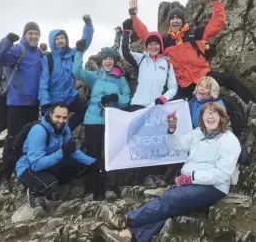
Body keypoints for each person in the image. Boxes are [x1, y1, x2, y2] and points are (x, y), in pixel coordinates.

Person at [100, 102, 241, 242]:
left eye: (214, 113)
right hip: (192, 182)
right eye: (207, 113)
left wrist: (191, 178)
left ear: (221, 117)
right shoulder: (198, 133)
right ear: (202, 117)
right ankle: (133, 236)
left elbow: (222, 174)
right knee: (171, 207)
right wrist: (171, 130)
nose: (210, 116)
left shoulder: (228, 139)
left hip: (214, 187)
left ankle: (125, 220)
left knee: (170, 199)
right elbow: (178, 146)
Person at [128, 0, 256, 104]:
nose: (175, 20)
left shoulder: (195, 33)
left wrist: (216, 1)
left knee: (230, 80)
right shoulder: (165, 41)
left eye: (178, 18)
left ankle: (253, 103)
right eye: (172, 18)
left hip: (203, 75)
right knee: (171, 104)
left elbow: (217, 23)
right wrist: (134, 16)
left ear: (183, 20)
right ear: (169, 22)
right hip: (183, 83)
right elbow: (146, 35)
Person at [73, 40, 130, 201]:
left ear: (114, 61)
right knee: (92, 154)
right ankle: (91, 189)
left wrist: (115, 98)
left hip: (111, 121)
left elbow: (126, 99)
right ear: (102, 61)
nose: (108, 61)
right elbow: (77, 71)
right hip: (93, 120)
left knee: (109, 154)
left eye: (111, 59)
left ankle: (109, 188)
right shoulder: (95, 76)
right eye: (105, 59)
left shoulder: (121, 79)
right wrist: (79, 52)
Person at [0, 22, 42, 193]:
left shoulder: (39, 53)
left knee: (29, 141)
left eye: (36, 33)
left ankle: (23, 174)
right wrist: (7, 41)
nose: (33, 36)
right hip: (17, 103)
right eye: (30, 33)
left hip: (33, 104)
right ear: (25, 35)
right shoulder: (19, 49)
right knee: (12, 140)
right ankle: (4, 177)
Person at [16, 103, 96, 212]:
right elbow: (36, 164)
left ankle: (48, 183)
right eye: (57, 117)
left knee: (83, 166)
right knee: (51, 184)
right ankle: (34, 192)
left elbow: (71, 150)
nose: (61, 121)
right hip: (27, 168)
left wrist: (92, 162)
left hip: (49, 165)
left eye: (64, 118)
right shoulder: (39, 131)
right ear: (50, 115)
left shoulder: (64, 129)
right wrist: (61, 153)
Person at [38, 15, 94, 131]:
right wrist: (45, 102)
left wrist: (88, 25)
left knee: (85, 108)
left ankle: (67, 129)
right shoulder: (48, 59)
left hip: (70, 97)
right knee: (50, 127)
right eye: (57, 38)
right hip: (54, 100)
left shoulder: (72, 54)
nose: (60, 40)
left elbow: (85, 41)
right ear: (52, 42)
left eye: (62, 38)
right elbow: (43, 82)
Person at [120, 18, 177, 112]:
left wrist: (164, 98)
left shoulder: (167, 64)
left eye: (156, 44)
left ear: (161, 45)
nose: (153, 47)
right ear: (146, 46)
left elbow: (173, 88)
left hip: (156, 107)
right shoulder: (141, 59)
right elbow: (124, 53)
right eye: (150, 44)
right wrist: (126, 32)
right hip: (137, 105)